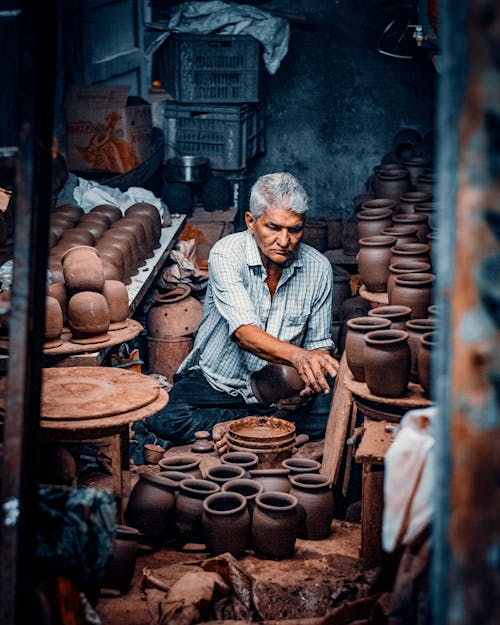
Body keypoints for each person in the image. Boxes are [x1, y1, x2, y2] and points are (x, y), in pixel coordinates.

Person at [138, 172, 339, 453]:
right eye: (273, 227)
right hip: (220, 384)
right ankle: (256, 427)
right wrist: (299, 356)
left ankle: (240, 428)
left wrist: (306, 388)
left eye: (294, 229)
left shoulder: (318, 268)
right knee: (164, 416)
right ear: (250, 222)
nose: (285, 240)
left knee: (334, 409)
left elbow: (318, 347)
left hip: (280, 390)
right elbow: (245, 334)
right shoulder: (227, 254)